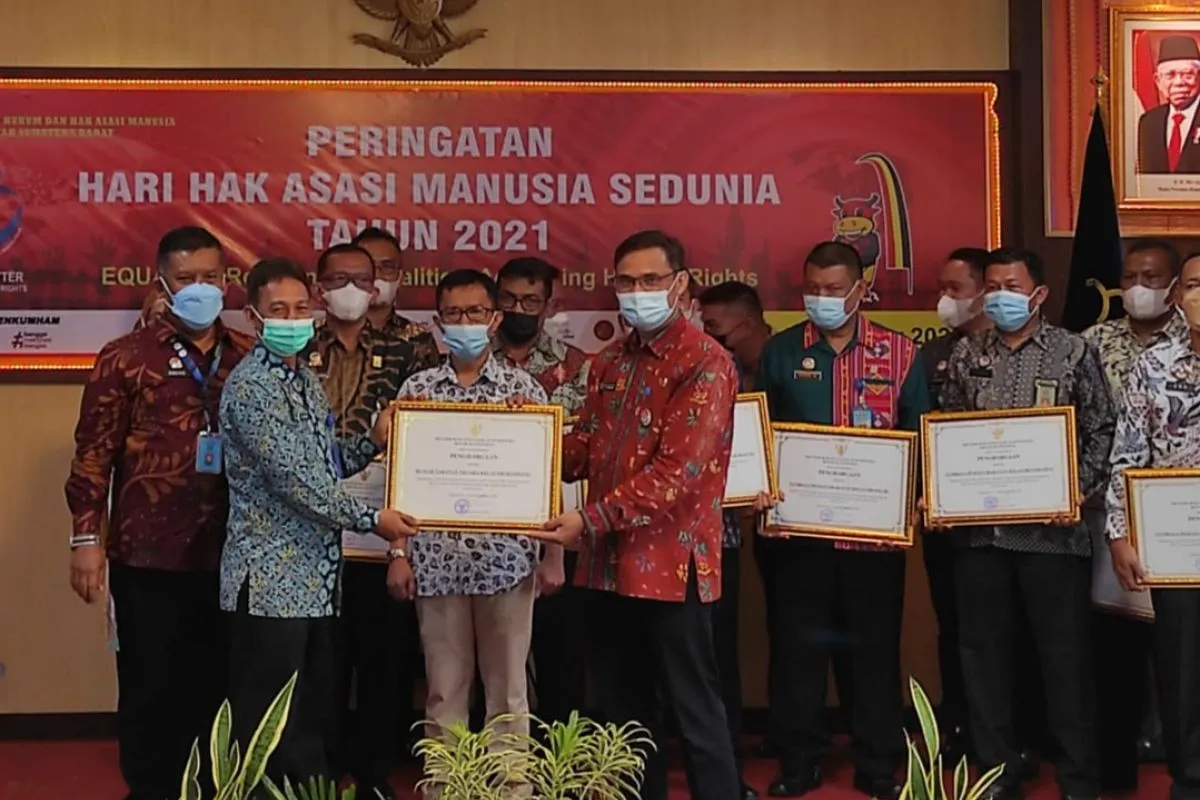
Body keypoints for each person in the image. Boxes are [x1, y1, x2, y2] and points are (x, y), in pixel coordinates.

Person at [540, 230, 741, 800]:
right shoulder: (609, 361)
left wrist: (588, 521)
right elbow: (585, 448)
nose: (637, 292)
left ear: (680, 284)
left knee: (694, 710)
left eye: (651, 280)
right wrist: (528, 437)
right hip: (606, 564)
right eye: (626, 282)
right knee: (623, 718)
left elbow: (678, 473)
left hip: (670, 567)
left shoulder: (705, 361)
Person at [65, 226, 251, 800]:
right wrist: (85, 541)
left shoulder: (248, 355)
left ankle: (214, 788)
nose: (201, 288)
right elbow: (93, 455)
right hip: (147, 551)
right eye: (187, 278)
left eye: (211, 277)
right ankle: (150, 790)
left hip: (234, 552)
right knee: (151, 686)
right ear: (162, 284)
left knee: (221, 684)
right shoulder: (125, 358)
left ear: (227, 280)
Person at [219, 257, 417, 788]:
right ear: (253, 318)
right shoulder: (253, 388)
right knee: (271, 727)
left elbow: (324, 466)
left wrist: (371, 441)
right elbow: (299, 485)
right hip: (269, 585)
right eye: (278, 310)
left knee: (309, 719)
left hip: (314, 582)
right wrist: (373, 519)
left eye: (299, 308)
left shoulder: (302, 379)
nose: (292, 319)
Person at [753, 241, 930, 800]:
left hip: (873, 541)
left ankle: (877, 762)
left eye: (833, 289)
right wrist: (760, 485)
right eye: (813, 289)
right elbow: (758, 432)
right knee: (796, 653)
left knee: (873, 654)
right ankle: (799, 760)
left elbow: (919, 434)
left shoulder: (900, 353)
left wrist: (916, 495)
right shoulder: (782, 351)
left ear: (860, 289)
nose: (822, 299)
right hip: (799, 536)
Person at [939, 246, 1114, 800]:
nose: (1000, 297)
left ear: (1038, 294)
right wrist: (945, 494)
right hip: (981, 536)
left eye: (1011, 287)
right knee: (983, 657)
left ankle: (1078, 777)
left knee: (1064, 659)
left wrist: (1077, 491)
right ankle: (997, 771)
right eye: (992, 287)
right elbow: (948, 429)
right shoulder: (967, 352)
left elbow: (1101, 429)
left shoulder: (1073, 351)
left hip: (1053, 536)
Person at [394, 268, 562, 795]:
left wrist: (553, 556)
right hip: (435, 561)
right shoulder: (417, 390)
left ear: (494, 319)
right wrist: (398, 552)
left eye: (475, 312)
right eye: (453, 313)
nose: (464, 322)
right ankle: (447, 787)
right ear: (437, 321)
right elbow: (398, 481)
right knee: (444, 689)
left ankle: (511, 788)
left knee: (508, 691)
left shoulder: (524, 389)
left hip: (508, 563)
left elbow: (547, 476)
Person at [305, 243, 425, 800]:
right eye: (337, 279)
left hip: (381, 530)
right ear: (319, 287)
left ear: (376, 288)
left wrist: (401, 547)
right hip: (310, 533)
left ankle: (375, 772)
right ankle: (322, 773)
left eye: (360, 279)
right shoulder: (295, 348)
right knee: (320, 660)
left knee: (382, 659)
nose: (349, 289)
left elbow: (417, 442)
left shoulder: (407, 353)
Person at [1082, 237, 1185, 794]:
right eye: (1130, 277)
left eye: (1152, 278)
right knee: (1116, 652)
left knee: (1183, 653)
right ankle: (1116, 768)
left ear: (1175, 288)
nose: (1138, 288)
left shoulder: (1189, 343)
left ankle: (1183, 763)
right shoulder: (1091, 343)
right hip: (1114, 519)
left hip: (1184, 525)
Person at [1106, 250, 1200, 800]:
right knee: (1182, 665)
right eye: (1193, 284)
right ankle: (1191, 778)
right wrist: (1119, 533)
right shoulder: (1153, 364)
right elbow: (1127, 453)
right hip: (1176, 544)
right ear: (1177, 296)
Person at [492, 256, 591, 729]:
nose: (518, 309)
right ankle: (494, 761)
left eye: (530, 301)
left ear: (550, 306)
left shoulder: (578, 367)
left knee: (562, 658)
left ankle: (561, 760)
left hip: (558, 531)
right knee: (493, 666)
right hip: (487, 534)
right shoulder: (469, 363)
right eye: (509, 299)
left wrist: (554, 550)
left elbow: (583, 452)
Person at [698, 279, 774, 800]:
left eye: (715, 328)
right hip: (662, 544)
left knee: (719, 656)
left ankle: (724, 764)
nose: (710, 338)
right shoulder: (694, 365)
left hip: (718, 539)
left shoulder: (760, 370)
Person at [919, 247, 991, 761]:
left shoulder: (1033, 349)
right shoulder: (930, 356)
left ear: (985, 293)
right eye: (941, 289)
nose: (944, 299)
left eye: (955, 289)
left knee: (1008, 633)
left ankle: (1012, 736)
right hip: (946, 520)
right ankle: (959, 727)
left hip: (1014, 522)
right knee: (954, 628)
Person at [352, 226, 441, 369]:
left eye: (387, 267)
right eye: (368, 266)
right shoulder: (332, 333)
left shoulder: (418, 339)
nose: (376, 275)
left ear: (400, 278)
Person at [1138, 35, 1200, 174]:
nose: (1179, 82)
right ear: (1158, 81)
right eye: (1170, 75)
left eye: (1188, 75)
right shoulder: (1148, 122)